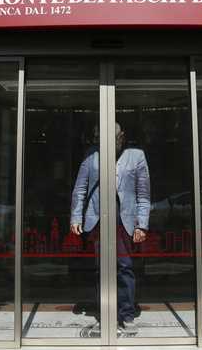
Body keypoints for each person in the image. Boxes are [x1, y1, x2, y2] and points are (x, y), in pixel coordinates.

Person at [70, 122, 151, 335]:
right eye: (99, 137)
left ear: (121, 136)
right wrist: (76, 216)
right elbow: (80, 189)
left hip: (124, 222)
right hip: (98, 220)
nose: (104, 142)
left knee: (125, 267)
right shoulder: (91, 155)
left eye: (112, 138)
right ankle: (104, 313)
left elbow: (143, 194)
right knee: (100, 268)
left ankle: (127, 314)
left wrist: (142, 224)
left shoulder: (137, 156)